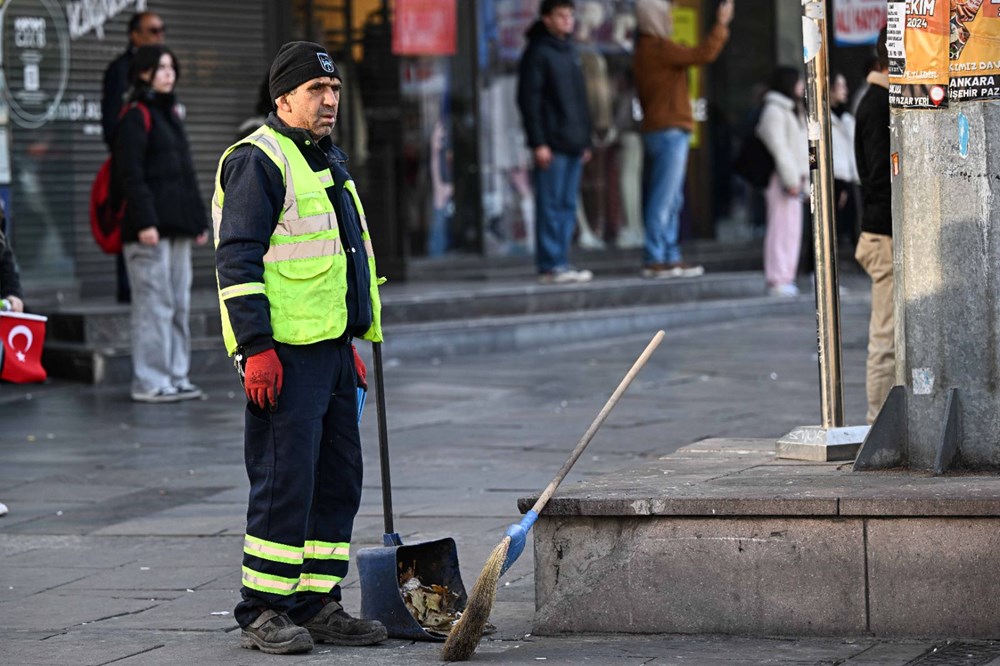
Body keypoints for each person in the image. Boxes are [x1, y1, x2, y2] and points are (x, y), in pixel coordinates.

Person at [213, 41, 388, 655]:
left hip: (331, 352)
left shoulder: (325, 160)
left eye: (335, 90)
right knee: (285, 479)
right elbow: (236, 261)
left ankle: (317, 601)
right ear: (283, 97)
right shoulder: (259, 160)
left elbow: (337, 260)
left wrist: (350, 341)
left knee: (337, 479)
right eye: (317, 90)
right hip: (284, 356)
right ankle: (263, 607)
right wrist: (254, 347)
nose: (331, 99)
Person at [114, 46, 208, 403]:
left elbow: (184, 173)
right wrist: (144, 222)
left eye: (172, 66)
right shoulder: (136, 116)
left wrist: (198, 220)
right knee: (153, 306)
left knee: (178, 304)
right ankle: (150, 381)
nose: (169, 73)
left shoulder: (171, 113)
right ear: (144, 73)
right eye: (161, 68)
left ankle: (176, 376)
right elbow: (130, 175)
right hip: (149, 231)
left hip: (178, 227)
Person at [633, 0, 733, 279]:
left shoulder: (645, 50)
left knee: (671, 197)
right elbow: (704, 53)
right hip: (669, 130)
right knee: (665, 198)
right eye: (665, 16)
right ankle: (656, 257)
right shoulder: (658, 48)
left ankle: (668, 255)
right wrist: (721, 24)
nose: (670, 20)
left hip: (661, 130)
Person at [517, 0, 594, 284]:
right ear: (547, 19)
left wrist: (585, 141)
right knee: (550, 205)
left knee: (566, 206)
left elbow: (580, 101)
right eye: (561, 15)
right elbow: (529, 101)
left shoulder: (570, 50)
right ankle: (550, 265)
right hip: (551, 143)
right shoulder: (537, 52)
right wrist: (539, 142)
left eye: (570, 15)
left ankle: (561, 261)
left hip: (574, 142)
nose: (568, 21)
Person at [102, 11, 166, 305]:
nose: (159, 36)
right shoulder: (121, 69)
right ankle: (128, 292)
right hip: (133, 164)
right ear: (135, 35)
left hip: (159, 170)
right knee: (132, 219)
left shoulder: (162, 68)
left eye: (162, 30)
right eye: (153, 31)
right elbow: (112, 122)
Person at [854, 28, 893, 424]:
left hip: (883, 231)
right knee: (886, 339)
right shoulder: (878, 104)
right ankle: (878, 424)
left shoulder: (881, 101)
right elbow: (880, 176)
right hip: (883, 234)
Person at [756, 66, 808, 297]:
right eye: (798, 81)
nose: (802, 86)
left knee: (791, 228)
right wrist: (791, 178)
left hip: (793, 177)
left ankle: (786, 276)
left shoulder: (791, 109)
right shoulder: (774, 110)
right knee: (781, 228)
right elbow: (779, 148)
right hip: (781, 178)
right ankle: (777, 278)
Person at [830, 72, 860, 250]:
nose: (845, 90)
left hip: (850, 176)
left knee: (853, 222)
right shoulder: (821, 117)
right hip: (833, 176)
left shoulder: (848, 118)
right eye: (841, 85)